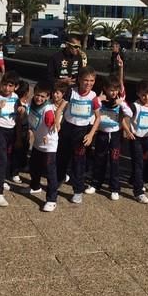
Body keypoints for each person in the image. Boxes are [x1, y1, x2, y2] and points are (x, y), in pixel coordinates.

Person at [56, 66, 101, 204]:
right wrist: (57, 124)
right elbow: (60, 109)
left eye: (91, 81)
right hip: (67, 129)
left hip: (82, 132)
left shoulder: (93, 96)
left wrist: (91, 135)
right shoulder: (71, 92)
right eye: (86, 80)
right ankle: (58, 179)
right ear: (79, 80)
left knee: (78, 162)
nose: (88, 83)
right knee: (62, 158)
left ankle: (77, 190)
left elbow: (98, 118)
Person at [87, 75, 132, 201]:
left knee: (114, 161)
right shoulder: (100, 101)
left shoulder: (119, 101)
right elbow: (91, 107)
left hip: (115, 135)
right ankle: (95, 184)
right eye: (111, 90)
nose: (114, 93)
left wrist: (121, 103)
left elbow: (130, 113)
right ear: (105, 89)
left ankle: (114, 188)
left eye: (116, 90)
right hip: (102, 134)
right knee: (99, 158)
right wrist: (99, 98)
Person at [0, 71, 21, 207]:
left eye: (10, 86)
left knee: (5, 158)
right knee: (2, 159)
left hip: (11, 130)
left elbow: (17, 117)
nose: (7, 88)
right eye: (5, 85)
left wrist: (21, 112)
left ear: (15, 87)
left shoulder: (15, 97)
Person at [27, 81, 59, 211]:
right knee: (34, 167)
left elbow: (52, 121)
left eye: (43, 96)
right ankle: (35, 187)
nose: (39, 98)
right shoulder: (32, 104)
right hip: (37, 142)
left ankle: (52, 199)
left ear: (47, 97)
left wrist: (50, 129)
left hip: (49, 144)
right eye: (37, 95)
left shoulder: (48, 109)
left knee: (50, 172)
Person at [11, 80, 30, 183]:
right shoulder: (18, 105)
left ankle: (22, 166)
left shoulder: (26, 103)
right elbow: (19, 121)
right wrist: (19, 137)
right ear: (26, 92)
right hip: (19, 131)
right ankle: (15, 172)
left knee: (24, 149)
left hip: (25, 130)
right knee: (17, 152)